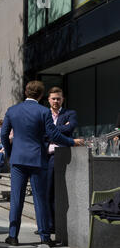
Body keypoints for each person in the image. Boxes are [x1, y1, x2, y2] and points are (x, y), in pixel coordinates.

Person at [0, 81, 84, 247]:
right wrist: (71, 142)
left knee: (17, 199)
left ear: (26, 92)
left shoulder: (12, 110)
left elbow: (4, 135)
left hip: (18, 160)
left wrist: (10, 154)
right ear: (41, 95)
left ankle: (13, 236)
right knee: (40, 199)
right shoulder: (44, 111)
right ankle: (45, 237)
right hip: (38, 159)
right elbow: (54, 135)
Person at [40, 87, 78, 235]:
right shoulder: (43, 113)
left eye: (59, 98)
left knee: (54, 192)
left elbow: (71, 128)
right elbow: (42, 133)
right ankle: (49, 225)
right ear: (48, 100)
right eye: (53, 98)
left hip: (60, 155)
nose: (56, 101)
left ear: (63, 99)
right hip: (44, 156)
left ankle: (53, 225)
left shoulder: (70, 113)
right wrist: (60, 129)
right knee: (46, 192)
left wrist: (51, 131)